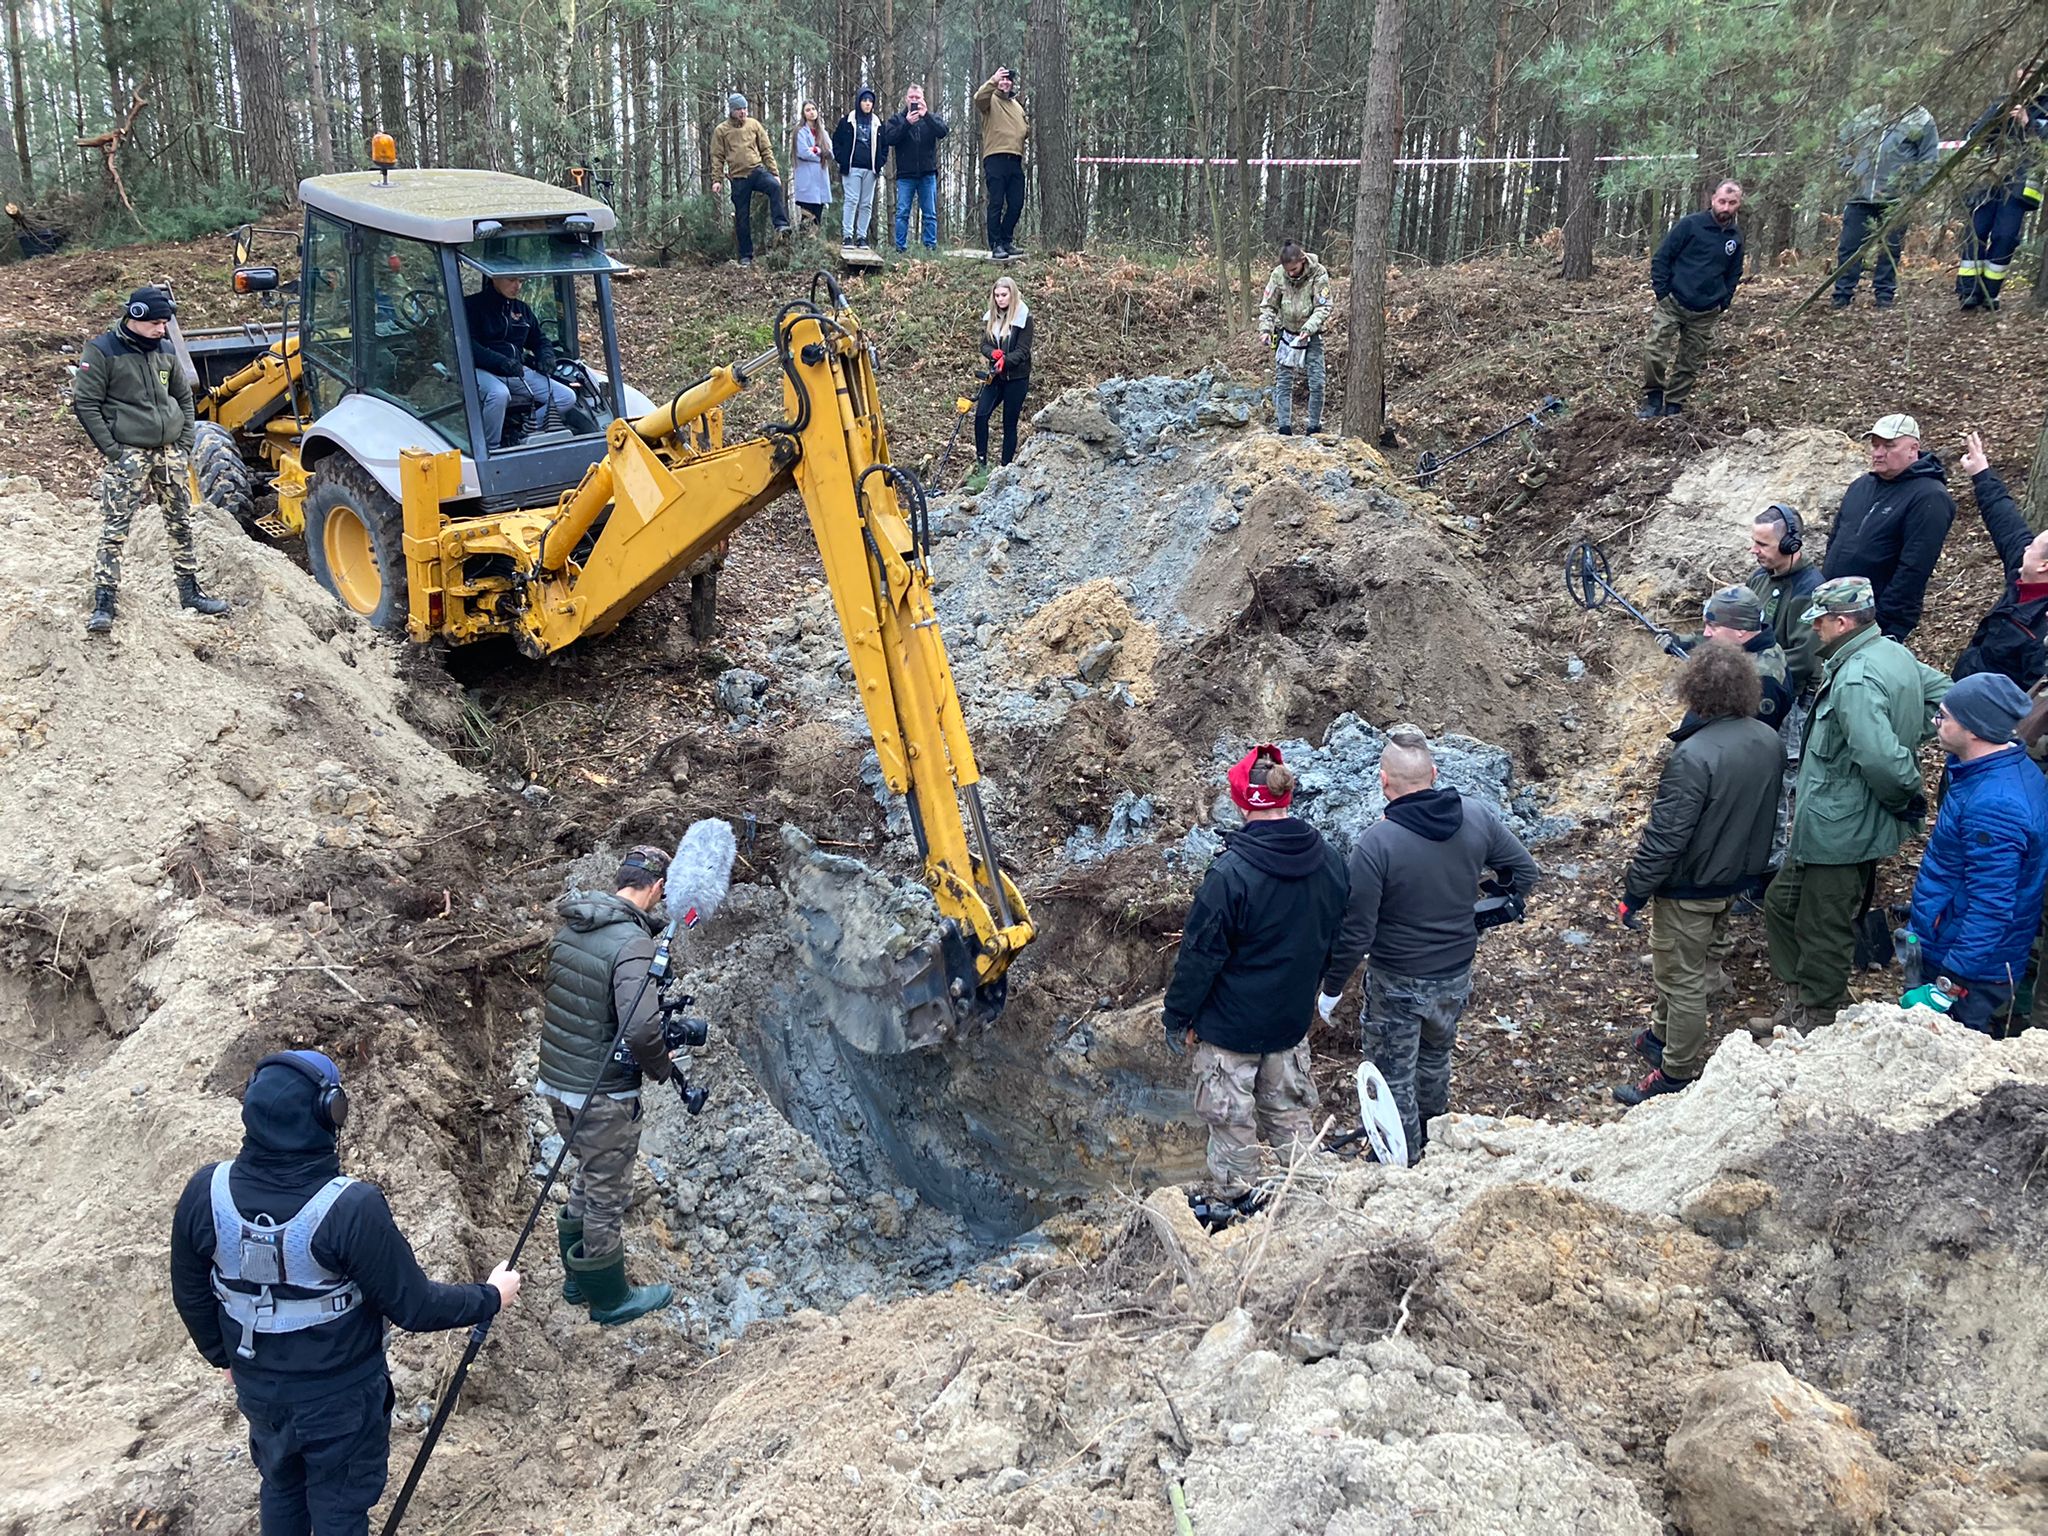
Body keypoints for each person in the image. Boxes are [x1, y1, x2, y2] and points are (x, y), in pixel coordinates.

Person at [170, 1051, 520, 1536]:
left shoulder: (205, 1190)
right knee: (339, 1506)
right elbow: (414, 1307)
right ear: (329, 1113)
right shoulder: (351, 1207)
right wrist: (490, 1296)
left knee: (282, 1485)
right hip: (341, 1400)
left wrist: (223, 1356)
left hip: (258, 1389)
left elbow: (189, 1292)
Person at [1316, 728, 1543, 1156]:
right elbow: (1525, 872)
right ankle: (1435, 1138)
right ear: (1434, 774)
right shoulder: (1476, 817)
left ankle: (1406, 1160)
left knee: (1392, 1076)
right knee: (1436, 1057)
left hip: (1397, 980)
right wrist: (1483, 906)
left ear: (1384, 781)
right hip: (1455, 971)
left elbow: (1358, 931)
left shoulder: (1376, 844)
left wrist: (1331, 988)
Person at [1162, 746, 1348, 1207]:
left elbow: (1199, 957)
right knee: (1291, 1119)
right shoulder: (1329, 862)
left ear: (1243, 802)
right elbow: (1334, 936)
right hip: (1288, 1023)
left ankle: (1240, 1209)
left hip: (1230, 1031)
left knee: (1231, 1128)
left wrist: (1178, 1017)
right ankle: (1317, 1204)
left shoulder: (1230, 875)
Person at [1763, 577, 1949, 1032]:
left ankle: (1818, 1018)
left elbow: (1881, 757)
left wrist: (1904, 790)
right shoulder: (1891, 652)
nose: (1815, 632)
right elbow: (1945, 692)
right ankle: (1799, 999)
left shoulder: (1857, 679)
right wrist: (1913, 729)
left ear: (1842, 622)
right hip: (1827, 822)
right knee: (1781, 903)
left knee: (1822, 926)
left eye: (1820, 623)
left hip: (1839, 831)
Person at [1614, 646, 1784, 1104]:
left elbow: (1666, 837)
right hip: (1734, 877)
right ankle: (1659, 1036)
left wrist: (1635, 891)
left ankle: (1675, 1072)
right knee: (1684, 966)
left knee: (1681, 977)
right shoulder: (1767, 739)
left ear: (1696, 690)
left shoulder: (1693, 755)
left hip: (1692, 886)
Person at [536, 845, 680, 1324]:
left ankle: (578, 1282)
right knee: (607, 1194)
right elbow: (640, 1028)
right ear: (657, 887)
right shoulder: (631, 943)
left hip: (558, 1083)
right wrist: (661, 1066)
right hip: (602, 1094)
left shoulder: (574, 926)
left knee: (587, 1173)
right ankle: (610, 1299)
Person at [73, 285, 230, 634]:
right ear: (136, 317)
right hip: (129, 452)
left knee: (180, 523)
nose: (162, 329)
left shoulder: (165, 349)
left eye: (165, 322)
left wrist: (185, 442)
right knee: (116, 529)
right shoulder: (102, 351)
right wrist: (114, 451)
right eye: (157, 322)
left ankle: (190, 593)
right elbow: (85, 404)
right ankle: (104, 602)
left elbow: (183, 397)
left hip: (171, 451)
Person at [1903, 672, 2048, 1035]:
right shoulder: (1996, 770)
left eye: (1944, 716)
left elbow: (1992, 904)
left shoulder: (1995, 805)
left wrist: (1949, 984)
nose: (1936, 721)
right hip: (1957, 946)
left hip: (1972, 971)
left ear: (1974, 729)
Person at [1818, 413, 1954, 642]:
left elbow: (1914, 568)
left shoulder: (1930, 497)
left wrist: (1882, 620)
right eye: (1875, 445)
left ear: (1913, 449)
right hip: (1834, 607)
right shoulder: (1861, 486)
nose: (1878, 453)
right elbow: (1835, 539)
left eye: (1889, 446)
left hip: (1876, 619)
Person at [1639, 180, 1745, 419]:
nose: (1725, 207)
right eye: (1722, 201)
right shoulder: (1690, 225)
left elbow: (1734, 273)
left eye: (1732, 203)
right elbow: (1662, 258)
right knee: (1654, 351)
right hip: (1673, 303)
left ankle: (1674, 405)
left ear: (1738, 205)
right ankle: (1654, 399)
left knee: (1690, 361)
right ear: (1713, 199)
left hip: (1706, 312)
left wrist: (1723, 301)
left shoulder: (1735, 238)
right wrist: (1663, 293)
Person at [1952, 431, 2048, 688]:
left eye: (2032, 546)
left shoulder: (2042, 629)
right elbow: (2005, 521)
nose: (2025, 546)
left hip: (1990, 719)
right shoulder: (2024, 570)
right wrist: (1981, 473)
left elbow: (2034, 701)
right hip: (1962, 688)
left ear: (2043, 565)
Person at [1955, 68, 2048, 312]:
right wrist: (1996, 116)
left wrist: (2029, 123)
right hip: (1986, 183)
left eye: (2030, 79)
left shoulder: (2045, 109)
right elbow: (1973, 136)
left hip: (2020, 187)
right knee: (1975, 232)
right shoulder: (2002, 103)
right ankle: (1968, 291)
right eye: (2020, 79)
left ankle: (1990, 293)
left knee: (2005, 237)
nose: (2024, 83)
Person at [1831, 104, 1940, 311]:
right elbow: (1842, 143)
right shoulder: (1867, 113)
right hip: (1859, 196)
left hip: (1896, 199)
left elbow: (1929, 157)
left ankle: (1884, 295)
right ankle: (1842, 295)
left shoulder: (1922, 118)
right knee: (1849, 247)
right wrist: (1849, 171)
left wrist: (1915, 191)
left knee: (1890, 249)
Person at [464, 273, 578, 449]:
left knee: (566, 396)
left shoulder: (522, 310)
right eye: (511, 280)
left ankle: (522, 435)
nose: (517, 286)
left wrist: (545, 356)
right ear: (494, 278)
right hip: (481, 371)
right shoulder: (472, 306)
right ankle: (490, 447)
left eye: (521, 281)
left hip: (516, 371)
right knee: (499, 395)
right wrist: (501, 362)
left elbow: (540, 341)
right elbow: (469, 345)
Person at [964, 275, 1032, 493]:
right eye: (997, 295)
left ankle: (1004, 467)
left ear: (1012, 294)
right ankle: (981, 463)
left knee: (1008, 423)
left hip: (1016, 378)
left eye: (1004, 295)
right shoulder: (991, 316)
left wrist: (1006, 360)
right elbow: (983, 344)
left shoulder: (1024, 317)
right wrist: (992, 353)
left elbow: (1023, 351)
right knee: (981, 415)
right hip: (995, 376)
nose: (1000, 299)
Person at [1746, 504, 1823, 695]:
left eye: (1762, 544)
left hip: (1785, 694)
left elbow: (1803, 659)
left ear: (1790, 545)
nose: (1753, 550)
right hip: (1752, 683)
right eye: (1754, 542)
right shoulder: (1759, 577)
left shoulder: (1810, 592)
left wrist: (1742, 670)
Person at [1258, 241, 1333, 437]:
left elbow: (1324, 306)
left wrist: (1309, 328)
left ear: (1302, 260)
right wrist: (1265, 330)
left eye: (1294, 269)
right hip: (1285, 333)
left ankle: (1314, 428)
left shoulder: (1318, 273)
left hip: (1311, 334)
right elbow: (1268, 306)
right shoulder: (1278, 275)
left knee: (1317, 383)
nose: (1291, 273)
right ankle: (1284, 428)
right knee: (1283, 382)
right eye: (1287, 270)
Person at [1692, 585, 1792, 730]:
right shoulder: (1756, 647)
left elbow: (1754, 737)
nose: (1706, 633)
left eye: (1713, 626)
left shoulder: (1762, 677)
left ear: (1741, 630)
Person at [710, 93, 790, 268]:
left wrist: (774, 172)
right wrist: (717, 179)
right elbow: (717, 157)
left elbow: (766, 150)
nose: (743, 112)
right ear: (732, 110)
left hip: (757, 171)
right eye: (739, 109)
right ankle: (746, 255)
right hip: (738, 178)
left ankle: (781, 225)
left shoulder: (754, 125)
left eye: (745, 108)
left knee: (775, 187)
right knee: (742, 217)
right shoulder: (721, 130)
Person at [882, 84, 948, 254]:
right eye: (911, 97)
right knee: (903, 212)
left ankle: (930, 249)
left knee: (930, 214)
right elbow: (890, 138)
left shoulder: (931, 118)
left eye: (917, 97)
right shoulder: (897, 120)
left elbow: (942, 132)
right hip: (906, 175)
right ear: (906, 99)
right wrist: (907, 124)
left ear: (923, 99)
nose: (914, 101)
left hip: (927, 174)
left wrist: (926, 116)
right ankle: (900, 249)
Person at [975, 66, 1030, 259]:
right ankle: (996, 243)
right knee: (996, 202)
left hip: (1015, 159)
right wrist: (993, 80)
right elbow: (978, 98)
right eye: (1003, 79)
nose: (1006, 83)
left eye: (1008, 80)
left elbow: (1024, 129)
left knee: (1016, 203)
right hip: (995, 157)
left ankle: (1007, 240)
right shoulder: (990, 99)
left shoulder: (1017, 106)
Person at [832, 86, 885, 248]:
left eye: (870, 101)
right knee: (851, 200)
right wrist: (842, 159)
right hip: (852, 168)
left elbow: (884, 146)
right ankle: (847, 236)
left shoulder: (877, 123)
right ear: (858, 101)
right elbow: (837, 142)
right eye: (864, 100)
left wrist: (880, 162)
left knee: (866, 203)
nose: (867, 104)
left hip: (871, 169)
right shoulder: (847, 120)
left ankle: (862, 237)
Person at [792, 101, 832, 233]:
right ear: (803, 113)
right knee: (807, 217)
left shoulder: (823, 133)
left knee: (817, 217)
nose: (811, 112)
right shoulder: (800, 132)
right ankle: (804, 247)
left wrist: (817, 150)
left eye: (813, 109)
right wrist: (820, 154)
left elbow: (830, 152)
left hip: (820, 180)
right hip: (807, 180)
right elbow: (803, 152)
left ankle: (814, 247)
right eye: (808, 110)